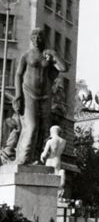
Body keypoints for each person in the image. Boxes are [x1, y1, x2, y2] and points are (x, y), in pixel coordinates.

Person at [13, 28, 68, 165]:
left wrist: (53, 55)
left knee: (44, 127)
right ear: (31, 39)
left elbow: (63, 68)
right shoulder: (26, 56)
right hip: (29, 93)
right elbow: (18, 74)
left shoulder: (47, 56)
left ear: (44, 39)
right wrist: (18, 95)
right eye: (34, 37)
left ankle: (37, 158)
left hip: (45, 95)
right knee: (31, 126)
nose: (37, 39)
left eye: (40, 37)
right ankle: (22, 158)